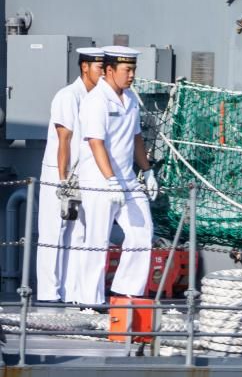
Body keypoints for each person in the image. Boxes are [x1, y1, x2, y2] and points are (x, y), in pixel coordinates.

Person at [67, 46, 154, 309]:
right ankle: (88, 300)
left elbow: (136, 138)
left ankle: (126, 292)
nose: (131, 75)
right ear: (109, 71)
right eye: (127, 70)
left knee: (142, 233)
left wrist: (147, 170)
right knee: (97, 239)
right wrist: (110, 179)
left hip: (126, 179)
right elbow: (96, 143)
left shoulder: (130, 100)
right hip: (99, 180)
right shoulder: (96, 101)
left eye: (133, 70)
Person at [35, 47, 103, 303]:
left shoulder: (96, 98)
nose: (103, 73)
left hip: (83, 173)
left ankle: (72, 292)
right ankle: (49, 295)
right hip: (60, 172)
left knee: (78, 233)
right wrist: (63, 182)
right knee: (54, 231)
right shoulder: (68, 96)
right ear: (85, 67)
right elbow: (64, 140)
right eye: (99, 67)